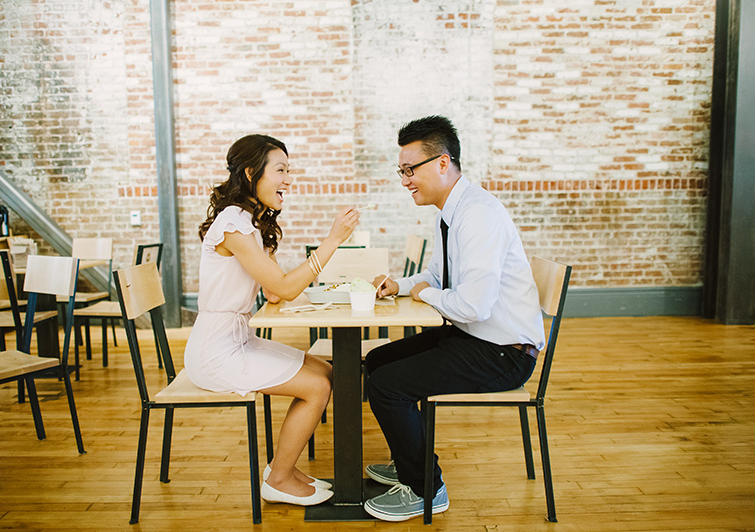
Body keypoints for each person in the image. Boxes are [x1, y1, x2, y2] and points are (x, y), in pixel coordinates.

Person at [363, 116, 545, 522]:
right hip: (472, 337)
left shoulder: (478, 215)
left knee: (386, 386)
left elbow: (474, 305)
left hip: (503, 353)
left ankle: (426, 489)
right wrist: (403, 284)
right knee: (378, 362)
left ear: (443, 163)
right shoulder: (450, 210)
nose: (405, 179)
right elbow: (435, 277)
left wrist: (423, 292)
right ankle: (411, 459)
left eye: (411, 170)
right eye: (402, 171)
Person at [183, 134, 360, 507]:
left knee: (327, 372)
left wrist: (269, 243)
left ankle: (284, 468)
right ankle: (279, 479)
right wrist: (332, 241)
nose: (288, 181)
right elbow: (284, 288)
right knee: (317, 388)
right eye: (280, 170)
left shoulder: (248, 222)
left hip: (237, 339)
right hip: (216, 352)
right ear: (251, 173)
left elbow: (276, 293)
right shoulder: (233, 224)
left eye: (288, 171)